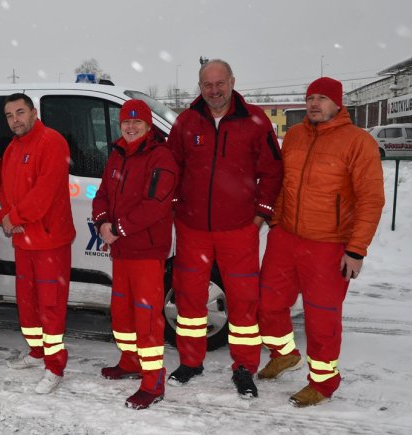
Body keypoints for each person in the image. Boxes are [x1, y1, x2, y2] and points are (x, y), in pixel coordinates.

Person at [257, 77, 385, 407]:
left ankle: (323, 382)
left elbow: (371, 199)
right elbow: (284, 182)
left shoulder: (358, 142)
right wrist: (276, 221)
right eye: (310, 97)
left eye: (322, 98)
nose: (314, 103)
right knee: (268, 303)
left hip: (329, 244)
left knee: (321, 319)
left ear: (338, 104)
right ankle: (284, 353)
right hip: (286, 237)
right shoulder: (295, 135)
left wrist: (356, 250)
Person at [167, 59, 284, 398]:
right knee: (189, 298)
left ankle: (244, 367)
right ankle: (191, 361)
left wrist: (261, 214)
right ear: (200, 87)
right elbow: (170, 167)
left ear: (232, 82)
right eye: (207, 84)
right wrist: (175, 206)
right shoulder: (187, 122)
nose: (214, 90)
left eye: (220, 83)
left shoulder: (255, 121)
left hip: (239, 229)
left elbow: (273, 172)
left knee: (244, 300)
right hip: (193, 229)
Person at [92, 99, 178, 410]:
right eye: (126, 122)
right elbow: (102, 193)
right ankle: (130, 361)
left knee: (147, 317)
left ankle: (153, 381)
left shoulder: (161, 156)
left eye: (136, 122)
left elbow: (156, 205)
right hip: (122, 250)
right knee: (123, 311)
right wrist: (102, 222)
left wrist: (118, 228)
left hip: (146, 252)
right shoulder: (117, 154)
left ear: (147, 125)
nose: (130, 127)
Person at [0, 93, 76, 394]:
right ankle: (37, 352)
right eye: (9, 115)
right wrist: (5, 216)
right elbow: (5, 190)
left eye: (20, 112)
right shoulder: (12, 148)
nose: (15, 119)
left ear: (33, 112)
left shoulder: (52, 142)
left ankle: (55, 367)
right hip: (23, 240)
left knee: (50, 305)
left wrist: (14, 217)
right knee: (27, 303)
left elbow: (44, 192)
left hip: (49, 241)